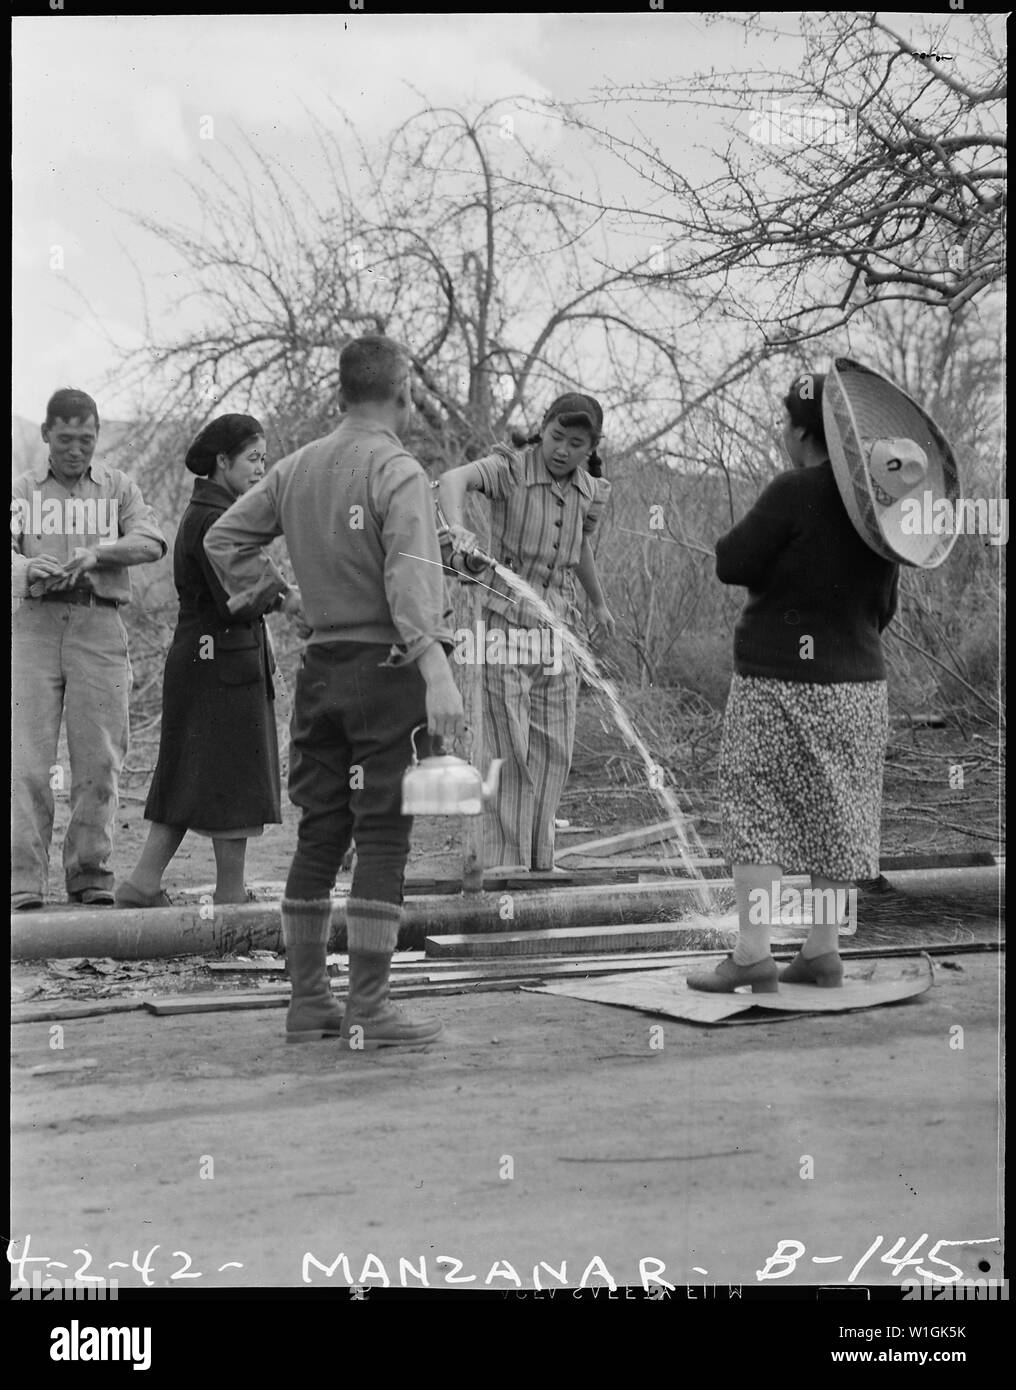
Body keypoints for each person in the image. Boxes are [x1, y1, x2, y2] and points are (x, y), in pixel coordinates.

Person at [203, 335, 464, 1048]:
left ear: (341, 393)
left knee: (322, 833)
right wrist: (435, 669)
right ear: (402, 392)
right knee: (383, 836)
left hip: (320, 673)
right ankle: (370, 1007)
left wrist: (275, 594)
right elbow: (411, 577)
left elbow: (223, 539)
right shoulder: (396, 468)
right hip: (387, 674)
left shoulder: (297, 467)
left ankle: (309, 1001)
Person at [688, 372, 899, 994]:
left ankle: (753, 953)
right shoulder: (877, 506)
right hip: (858, 686)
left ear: (802, 433)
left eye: (786, 426)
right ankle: (822, 951)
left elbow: (732, 561)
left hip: (778, 681)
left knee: (759, 811)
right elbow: (884, 607)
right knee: (840, 814)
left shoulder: (794, 490)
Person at [116, 415, 300, 909]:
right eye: (253, 459)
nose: (261, 468)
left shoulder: (211, 509)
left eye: (264, 458)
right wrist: (288, 598)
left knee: (190, 774)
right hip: (219, 662)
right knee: (231, 777)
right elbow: (235, 598)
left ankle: (143, 882)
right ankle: (229, 891)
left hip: (209, 658)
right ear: (223, 462)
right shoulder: (217, 517)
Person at [437, 393, 614, 873]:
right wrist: (457, 529)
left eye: (576, 444)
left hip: (559, 633)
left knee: (553, 751)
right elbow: (453, 480)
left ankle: (539, 870)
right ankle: (503, 871)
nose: (562, 450)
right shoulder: (511, 467)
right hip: (502, 628)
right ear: (543, 427)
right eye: (556, 436)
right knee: (505, 749)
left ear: (590, 447)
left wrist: (597, 603)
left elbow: (578, 547)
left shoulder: (590, 491)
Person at [11, 388, 167, 911]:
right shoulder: (22, 493)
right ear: (46, 435)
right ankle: (24, 880)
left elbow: (150, 540)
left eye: (86, 439)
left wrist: (98, 553)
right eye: (65, 438)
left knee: (99, 758)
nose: (75, 449)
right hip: (33, 627)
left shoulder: (119, 488)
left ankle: (89, 871)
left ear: (97, 436)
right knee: (27, 760)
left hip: (100, 627)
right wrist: (30, 568)